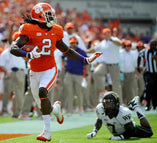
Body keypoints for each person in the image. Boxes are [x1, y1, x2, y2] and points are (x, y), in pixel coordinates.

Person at [10, 3, 102, 142]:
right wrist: (28, 55)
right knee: (41, 104)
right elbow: (13, 48)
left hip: (49, 69)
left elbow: (67, 50)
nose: (52, 17)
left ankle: (47, 132)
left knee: (42, 92)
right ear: (39, 16)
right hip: (34, 70)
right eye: (48, 15)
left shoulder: (56, 30)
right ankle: (55, 109)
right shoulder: (28, 29)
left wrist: (86, 60)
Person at [87, 91, 153, 140]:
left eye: (110, 104)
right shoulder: (100, 109)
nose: (107, 106)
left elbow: (131, 130)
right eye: (106, 104)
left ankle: (135, 107)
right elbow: (99, 120)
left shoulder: (124, 112)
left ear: (116, 104)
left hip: (129, 130)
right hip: (118, 132)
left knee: (149, 132)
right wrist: (94, 131)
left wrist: (120, 137)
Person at [87, 28, 122, 103]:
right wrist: (85, 51)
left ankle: (119, 102)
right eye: (105, 34)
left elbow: (120, 44)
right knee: (96, 73)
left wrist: (111, 39)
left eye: (108, 33)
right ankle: (103, 90)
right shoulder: (102, 43)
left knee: (116, 84)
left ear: (110, 34)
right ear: (103, 35)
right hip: (105, 64)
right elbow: (94, 49)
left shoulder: (114, 39)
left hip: (114, 65)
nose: (106, 35)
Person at [62, 37, 89, 116]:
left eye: (73, 43)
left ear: (76, 43)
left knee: (79, 92)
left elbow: (86, 64)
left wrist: (86, 74)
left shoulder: (82, 52)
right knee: (69, 93)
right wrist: (63, 65)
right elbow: (62, 57)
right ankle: (69, 111)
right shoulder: (67, 51)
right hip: (69, 74)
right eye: (71, 43)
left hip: (79, 74)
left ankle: (80, 108)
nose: (72, 44)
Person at [138, 40, 157, 113]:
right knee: (149, 86)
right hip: (149, 72)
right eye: (152, 45)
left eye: (154, 46)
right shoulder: (145, 51)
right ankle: (148, 104)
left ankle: (156, 105)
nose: (153, 47)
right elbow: (139, 55)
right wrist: (138, 66)